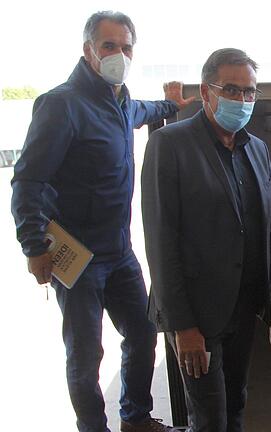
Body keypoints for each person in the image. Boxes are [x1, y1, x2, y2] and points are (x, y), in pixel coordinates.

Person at [10, 11, 195, 432]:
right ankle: (93, 427)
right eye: (109, 46)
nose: (119, 54)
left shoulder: (120, 102)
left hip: (118, 251)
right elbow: (28, 179)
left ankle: (134, 417)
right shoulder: (62, 105)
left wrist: (171, 104)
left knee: (144, 334)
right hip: (76, 256)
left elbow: (143, 111)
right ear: (88, 50)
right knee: (86, 354)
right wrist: (34, 245)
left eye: (126, 47)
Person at [141, 48, 271, 432]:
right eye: (232, 89)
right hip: (195, 314)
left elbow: (269, 231)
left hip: (242, 307)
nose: (242, 100)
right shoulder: (170, 145)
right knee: (209, 416)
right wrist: (182, 326)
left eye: (250, 91)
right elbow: (161, 242)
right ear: (207, 93)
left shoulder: (255, 149)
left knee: (237, 400)